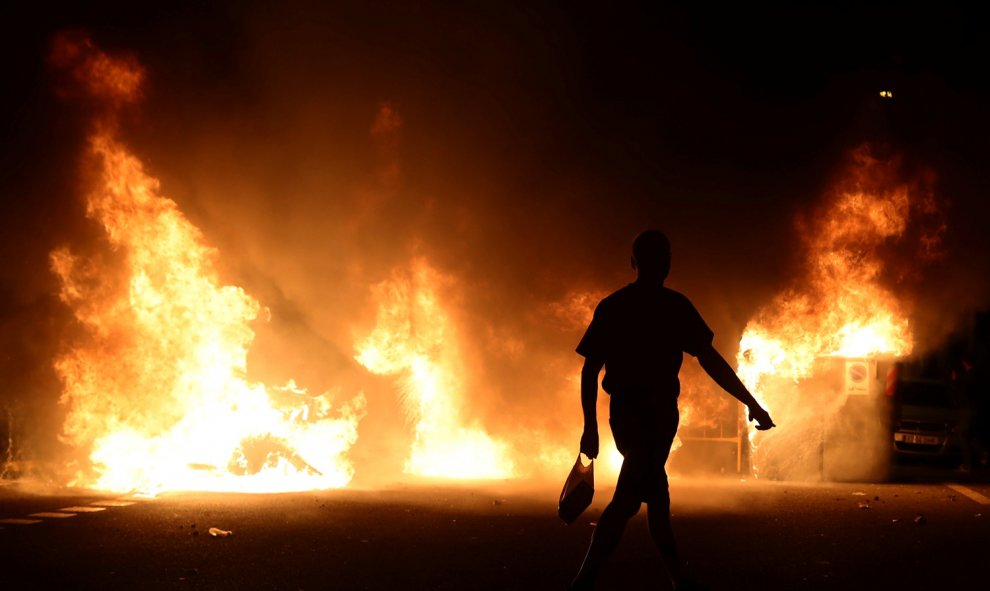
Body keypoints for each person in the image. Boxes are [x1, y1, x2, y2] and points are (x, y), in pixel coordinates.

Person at [569, 230, 775, 591]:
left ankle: (678, 578)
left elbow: (590, 370)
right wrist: (752, 403)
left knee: (656, 491)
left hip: (630, 415)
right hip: (654, 415)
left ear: (633, 263)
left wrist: (591, 426)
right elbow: (712, 362)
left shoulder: (615, 306)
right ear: (666, 264)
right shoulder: (675, 307)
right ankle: (582, 584)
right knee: (627, 500)